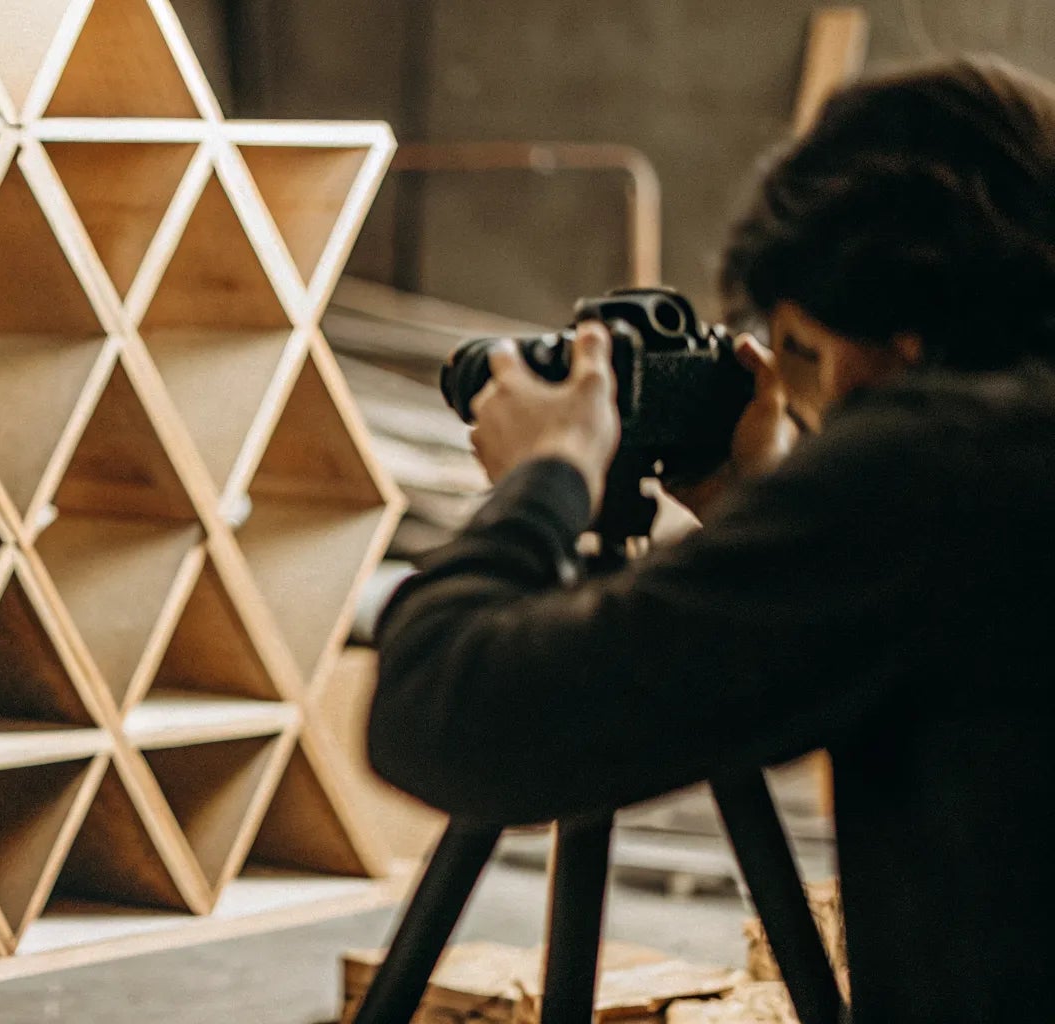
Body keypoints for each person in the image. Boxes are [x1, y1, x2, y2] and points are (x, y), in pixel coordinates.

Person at [367, 56, 1055, 1021]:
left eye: (811, 354)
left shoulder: (941, 464)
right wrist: (760, 507)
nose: (826, 403)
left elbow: (446, 716)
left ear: (896, 333)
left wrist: (544, 480)